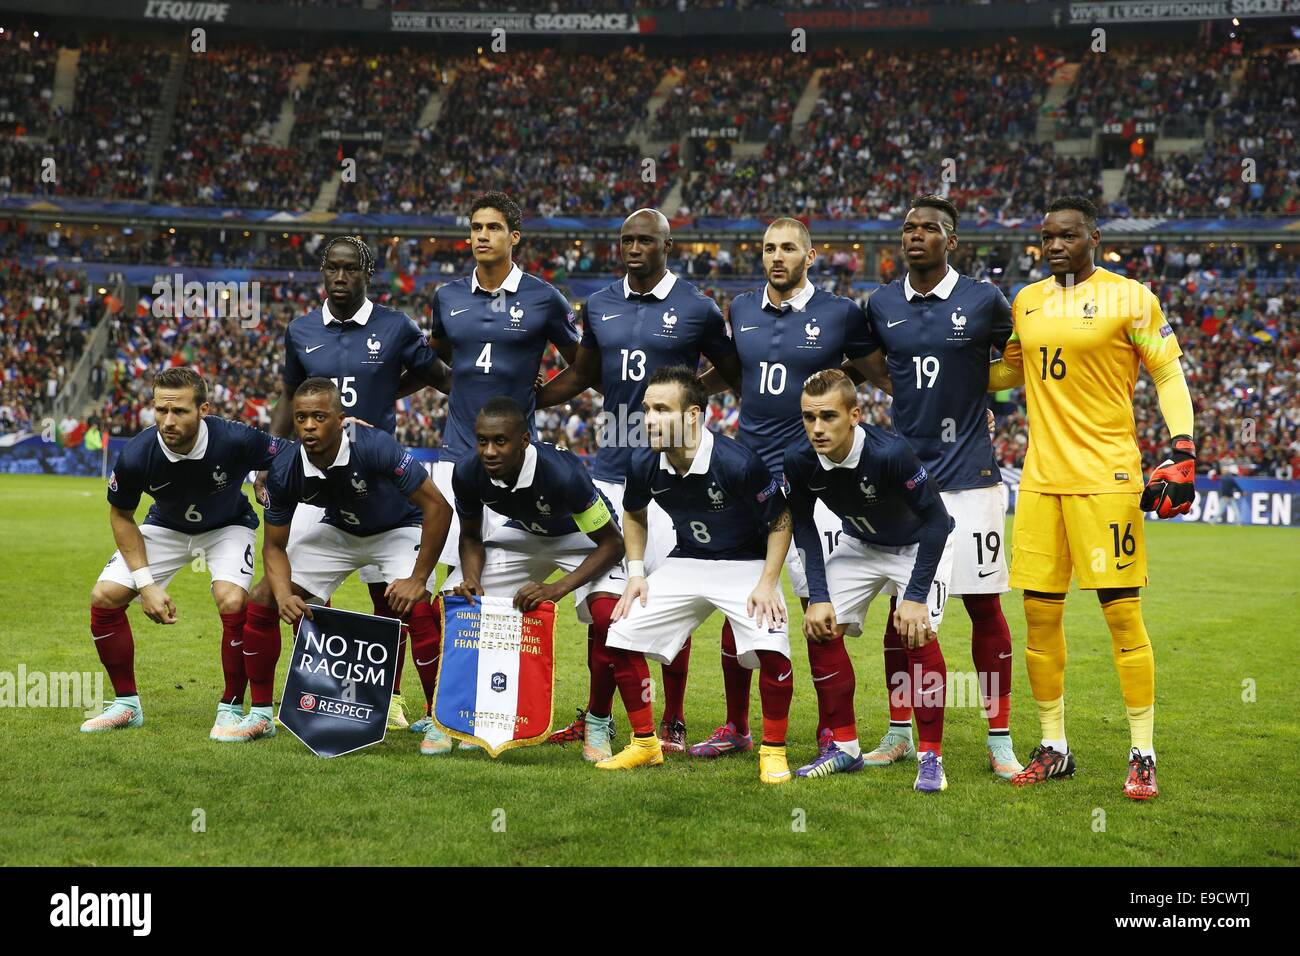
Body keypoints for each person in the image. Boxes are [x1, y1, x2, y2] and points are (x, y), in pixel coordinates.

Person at [989, 195, 1197, 800]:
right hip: (1040, 482)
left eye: (1067, 236)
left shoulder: (1131, 297)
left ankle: (1143, 751)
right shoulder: (1026, 301)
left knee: (1121, 614)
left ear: (1094, 238)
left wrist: (1182, 449)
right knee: (1038, 617)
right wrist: (924, 362)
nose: (1054, 245)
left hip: (1107, 479)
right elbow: (1007, 374)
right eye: (1047, 236)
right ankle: (1054, 746)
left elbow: (1166, 372)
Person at [536, 208, 743, 754]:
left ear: (666, 245)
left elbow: (733, 368)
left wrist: (687, 395)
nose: (633, 247)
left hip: (674, 480)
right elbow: (581, 375)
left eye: (644, 240)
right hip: (610, 471)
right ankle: (598, 715)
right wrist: (530, 395)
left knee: (672, 603)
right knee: (606, 607)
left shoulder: (696, 307)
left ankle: (672, 720)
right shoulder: (599, 304)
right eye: (626, 239)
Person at [692, 216, 878, 761]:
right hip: (750, 480)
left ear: (810, 255)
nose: (777, 256)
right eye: (770, 248)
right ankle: (736, 726)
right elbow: (735, 373)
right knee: (738, 605)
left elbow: (874, 370)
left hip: (810, 483)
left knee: (818, 606)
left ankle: (833, 732)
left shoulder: (841, 313)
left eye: (789, 248)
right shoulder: (742, 309)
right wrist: (684, 396)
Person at [401, 193, 580, 749]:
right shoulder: (447, 296)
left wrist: (539, 401)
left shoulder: (544, 298)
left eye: (494, 228)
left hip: (514, 465)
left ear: (514, 236)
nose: (482, 236)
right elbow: (431, 360)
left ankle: (496, 707)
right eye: (475, 227)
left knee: (493, 584)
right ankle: (448, 716)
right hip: (457, 462)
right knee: (456, 591)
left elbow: (584, 365)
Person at [854, 195, 1022, 779]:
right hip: (906, 482)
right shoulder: (880, 304)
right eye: (908, 228)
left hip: (972, 483)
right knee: (903, 611)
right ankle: (901, 731)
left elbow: (1020, 358)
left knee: (983, 606)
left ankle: (999, 738)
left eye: (929, 228)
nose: (916, 235)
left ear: (951, 241)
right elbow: (867, 365)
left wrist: (983, 396)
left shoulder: (983, 300)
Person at [257, 234, 451, 732]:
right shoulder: (301, 330)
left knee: (391, 602)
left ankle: (404, 701)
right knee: (274, 592)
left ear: (368, 274)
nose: (340, 279)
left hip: (380, 476)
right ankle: (256, 706)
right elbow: (287, 397)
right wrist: (268, 460)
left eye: (350, 270)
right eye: (331, 269)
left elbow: (438, 374)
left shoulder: (394, 326)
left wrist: (389, 384)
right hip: (322, 482)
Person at [602, 366, 794, 784]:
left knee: (774, 649)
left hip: (745, 564)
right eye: (647, 409)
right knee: (619, 635)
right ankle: (645, 745)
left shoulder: (737, 462)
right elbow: (632, 513)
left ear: (692, 415)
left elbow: (781, 519)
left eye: (661, 410)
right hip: (688, 559)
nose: (649, 419)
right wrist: (636, 573)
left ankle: (773, 750)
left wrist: (767, 582)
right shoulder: (643, 461)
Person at [83, 367, 284, 739]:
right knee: (104, 597)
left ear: (203, 409)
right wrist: (146, 585)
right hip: (166, 527)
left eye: (179, 411)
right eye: (161, 411)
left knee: (231, 600)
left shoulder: (235, 438)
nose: (168, 420)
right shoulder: (136, 454)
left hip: (227, 525)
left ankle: (230, 708)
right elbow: (121, 516)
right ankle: (127, 705)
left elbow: (287, 454)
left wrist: (264, 476)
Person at [249, 378, 453, 743]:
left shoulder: (373, 445)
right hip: (340, 530)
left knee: (417, 606)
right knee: (262, 598)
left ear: (341, 420)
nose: (309, 425)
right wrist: (282, 594)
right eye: (301, 418)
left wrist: (418, 578)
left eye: (319, 416)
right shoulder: (285, 467)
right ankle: (261, 713)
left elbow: (438, 507)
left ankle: (439, 719)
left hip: (397, 528)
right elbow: (274, 547)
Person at [784, 370, 956, 792]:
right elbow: (803, 525)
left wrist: (914, 597)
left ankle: (931, 756)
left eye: (828, 417)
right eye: (809, 417)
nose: (818, 428)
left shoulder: (890, 453)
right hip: (861, 545)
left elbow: (937, 522)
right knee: (819, 627)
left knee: (916, 632)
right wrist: (818, 596)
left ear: (855, 415)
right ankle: (845, 747)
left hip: (919, 544)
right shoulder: (799, 459)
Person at [442, 396, 626, 759]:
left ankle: (598, 722)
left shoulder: (562, 472)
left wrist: (555, 589)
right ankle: (467, 718)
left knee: (607, 618)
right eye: (482, 440)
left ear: (524, 440)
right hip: (525, 535)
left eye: (500, 441)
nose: (489, 451)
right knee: (457, 600)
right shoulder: (466, 471)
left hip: (581, 537)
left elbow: (612, 544)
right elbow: (471, 537)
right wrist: (473, 578)